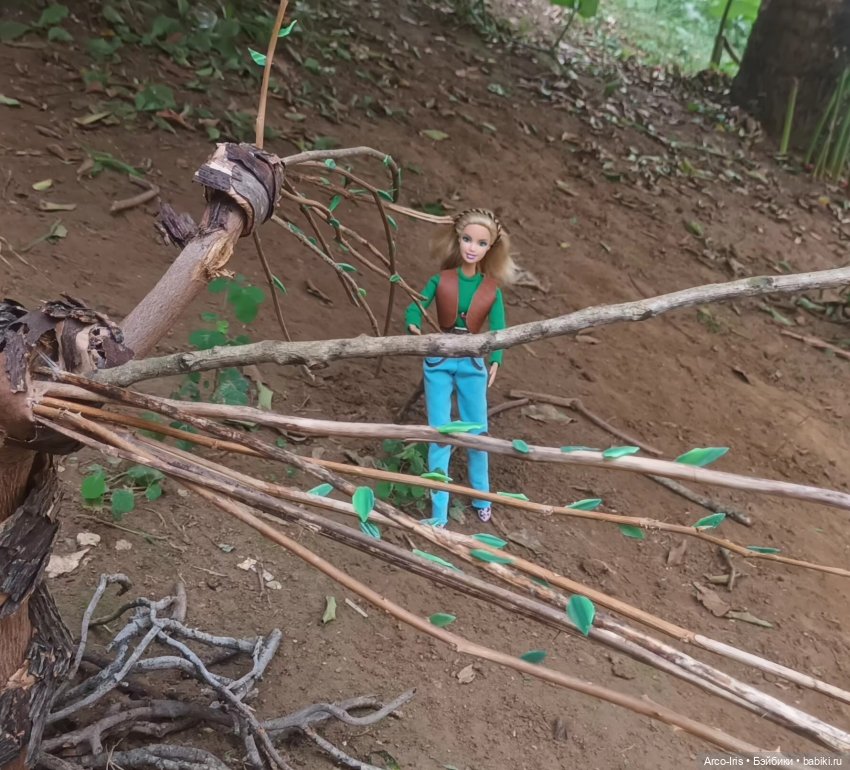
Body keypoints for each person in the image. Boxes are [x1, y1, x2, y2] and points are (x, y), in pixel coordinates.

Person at [405, 208, 514, 528]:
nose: (472, 247)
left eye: (481, 243)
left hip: (473, 361)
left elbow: (499, 329)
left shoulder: (491, 289)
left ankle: (482, 497)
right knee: (440, 434)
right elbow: (415, 306)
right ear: (457, 239)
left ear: (490, 248)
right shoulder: (441, 280)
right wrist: (413, 324)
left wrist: (496, 359)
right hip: (439, 359)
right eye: (467, 239)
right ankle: (439, 509)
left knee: (477, 431)